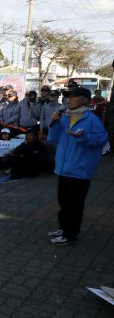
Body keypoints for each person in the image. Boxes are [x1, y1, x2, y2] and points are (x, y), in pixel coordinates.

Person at [47, 87, 109, 245]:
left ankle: (70, 235)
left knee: (74, 205)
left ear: (84, 100)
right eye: (68, 96)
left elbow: (101, 140)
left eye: (73, 97)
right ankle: (63, 228)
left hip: (80, 171)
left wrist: (83, 137)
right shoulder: (65, 117)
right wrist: (53, 123)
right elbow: (52, 139)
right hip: (63, 169)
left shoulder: (92, 119)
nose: (69, 100)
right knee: (63, 203)